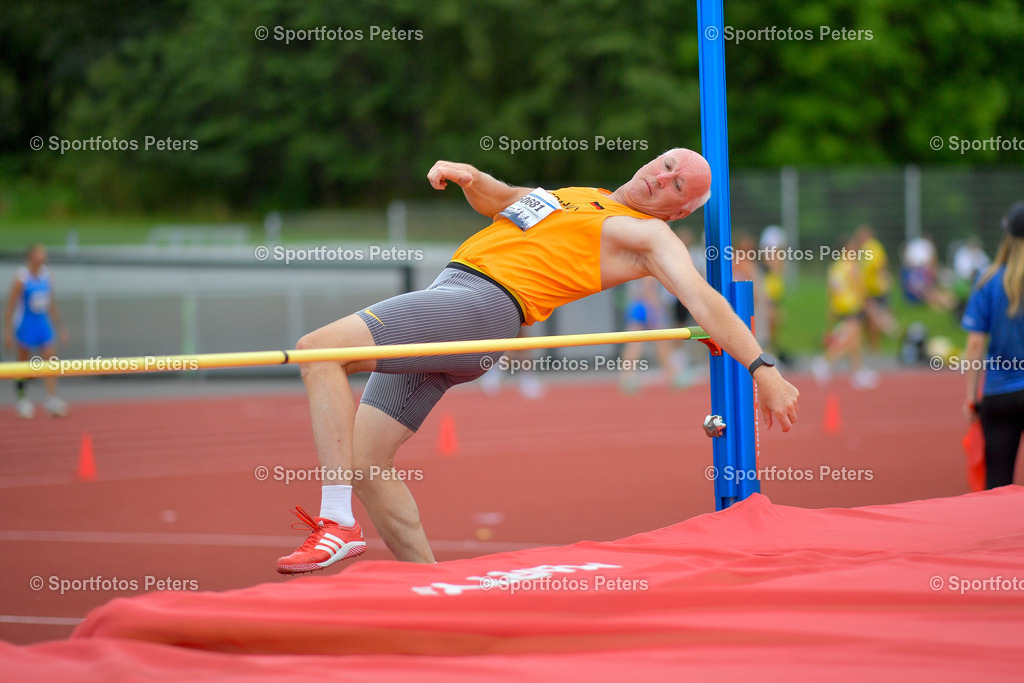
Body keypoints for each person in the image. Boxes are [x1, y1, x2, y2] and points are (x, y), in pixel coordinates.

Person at [277, 149, 800, 574]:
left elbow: (704, 300)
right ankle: (432, 588)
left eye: (678, 187)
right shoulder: (580, 198)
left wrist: (763, 368)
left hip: (481, 305)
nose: (663, 180)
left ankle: (336, 521)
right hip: (456, 301)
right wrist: (471, 176)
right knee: (367, 463)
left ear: (678, 212)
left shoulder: (648, 235)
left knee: (318, 351)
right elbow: (503, 200)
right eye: (666, 166)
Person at [962, 201, 1024, 489]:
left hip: (999, 393)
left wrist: (971, 396)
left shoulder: (987, 280)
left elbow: (975, 344)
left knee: (997, 485)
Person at [4, 244, 69, 418]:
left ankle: (51, 399)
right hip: (26, 325)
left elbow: (51, 303)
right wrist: (8, 332)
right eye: (40, 253)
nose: (44, 257)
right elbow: (10, 306)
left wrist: (60, 327)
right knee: (22, 365)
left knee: (51, 359)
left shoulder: (47, 276)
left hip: (43, 324)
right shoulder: (21, 279)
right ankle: (22, 399)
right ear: (31, 256)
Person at [812, 235, 878, 389]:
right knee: (850, 340)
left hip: (840, 307)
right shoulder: (851, 265)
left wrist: (830, 308)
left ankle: (858, 372)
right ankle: (825, 361)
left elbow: (831, 289)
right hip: (852, 307)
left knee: (854, 340)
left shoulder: (835, 267)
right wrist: (866, 304)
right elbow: (858, 286)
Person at [619, 276, 677, 393]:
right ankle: (672, 375)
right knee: (663, 343)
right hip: (648, 306)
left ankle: (626, 377)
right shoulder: (650, 266)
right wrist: (655, 312)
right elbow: (649, 289)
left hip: (637, 305)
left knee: (634, 345)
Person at [854, 225, 897, 350]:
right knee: (871, 317)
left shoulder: (873, 247)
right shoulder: (865, 248)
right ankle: (875, 340)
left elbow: (881, 265)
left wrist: (885, 279)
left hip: (875, 289)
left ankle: (888, 331)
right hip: (869, 289)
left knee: (874, 316)